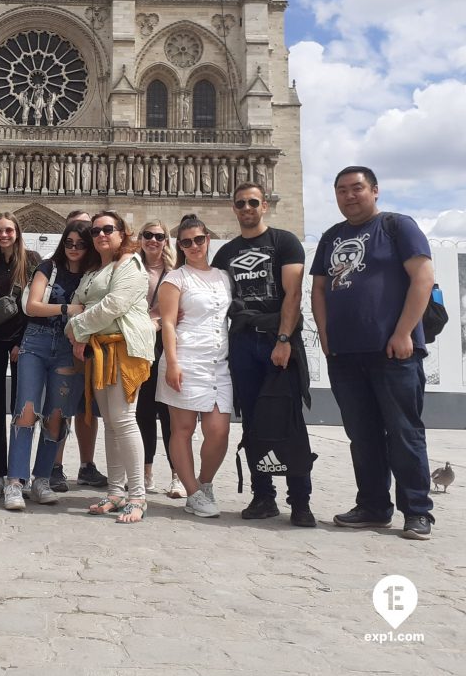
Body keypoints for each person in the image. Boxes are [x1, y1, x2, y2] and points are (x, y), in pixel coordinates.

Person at [310, 166, 436, 540]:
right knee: (362, 435)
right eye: (342, 190)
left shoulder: (398, 226)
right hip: (346, 354)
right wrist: (325, 332)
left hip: (393, 352)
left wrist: (403, 333)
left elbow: (423, 277)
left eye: (357, 188)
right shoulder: (332, 237)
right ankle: (373, 506)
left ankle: (417, 511)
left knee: (404, 433)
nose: (349, 195)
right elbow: (319, 289)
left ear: (375, 190)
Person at [213, 183, 315, 527]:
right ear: (234, 207)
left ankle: (300, 501)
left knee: (289, 420)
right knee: (254, 421)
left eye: (253, 202)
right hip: (242, 342)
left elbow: (292, 294)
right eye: (241, 203)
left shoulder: (283, 242)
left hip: (277, 339)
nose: (247, 208)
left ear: (265, 206)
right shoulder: (225, 254)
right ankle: (263, 496)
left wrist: (284, 339)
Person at [66, 212, 155, 524]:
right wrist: (83, 327)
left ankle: (138, 496)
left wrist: (77, 328)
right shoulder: (94, 271)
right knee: (111, 422)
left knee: (124, 420)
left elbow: (113, 305)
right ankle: (116, 492)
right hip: (100, 350)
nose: (102, 235)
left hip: (125, 348)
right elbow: (78, 301)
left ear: (122, 233)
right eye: (96, 231)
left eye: (108, 229)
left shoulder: (129, 263)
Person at [4, 220, 89, 510]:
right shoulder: (48, 267)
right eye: (69, 243)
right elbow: (32, 306)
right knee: (26, 410)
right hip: (37, 342)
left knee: (57, 416)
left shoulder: (92, 276)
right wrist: (70, 308)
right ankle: (15, 481)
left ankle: (41, 478)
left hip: (70, 347)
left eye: (80, 244)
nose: (74, 248)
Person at [156, 213, 233, 519]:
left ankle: (205, 483)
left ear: (207, 239)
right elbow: (169, 324)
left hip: (217, 364)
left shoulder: (223, 277)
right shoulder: (175, 278)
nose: (193, 246)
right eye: (186, 242)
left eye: (198, 239)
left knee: (219, 430)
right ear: (180, 246)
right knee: (183, 429)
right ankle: (192, 492)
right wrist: (172, 362)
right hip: (185, 360)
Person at [0, 212, 40, 498]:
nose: (4, 235)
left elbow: (36, 302)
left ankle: (19, 473)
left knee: (22, 408)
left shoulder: (31, 261)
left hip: (21, 341)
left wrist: (21, 341)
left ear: (17, 232)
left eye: (8, 230)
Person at [50, 208, 106, 493]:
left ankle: (87, 465)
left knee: (87, 408)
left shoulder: (98, 270)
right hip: (61, 344)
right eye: (76, 231)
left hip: (91, 347)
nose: (82, 236)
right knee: (62, 406)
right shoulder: (57, 268)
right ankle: (55, 466)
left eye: (88, 230)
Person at [134, 220, 183, 498]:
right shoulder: (131, 268)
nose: (153, 240)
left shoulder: (176, 273)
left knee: (169, 412)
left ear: (167, 240)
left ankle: (177, 475)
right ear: (141, 238)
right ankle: (146, 472)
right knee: (144, 410)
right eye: (148, 235)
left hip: (167, 344)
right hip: (141, 343)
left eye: (159, 236)